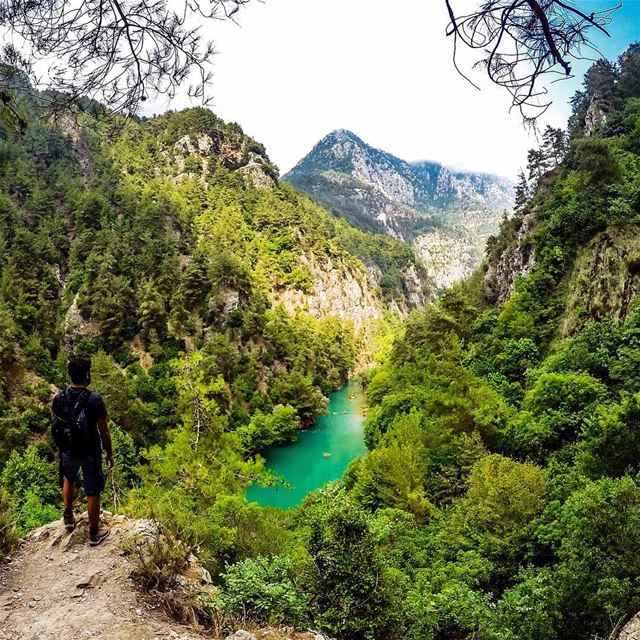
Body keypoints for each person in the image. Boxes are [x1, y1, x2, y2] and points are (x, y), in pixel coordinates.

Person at [52, 357, 114, 546]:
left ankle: (68, 518)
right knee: (93, 490)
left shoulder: (59, 397)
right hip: (90, 450)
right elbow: (104, 431)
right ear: (87, 374)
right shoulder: (94, 399)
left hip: (69, 449)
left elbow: (57, 424)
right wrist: (109, 453)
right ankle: (94, 534)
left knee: (69, 479)